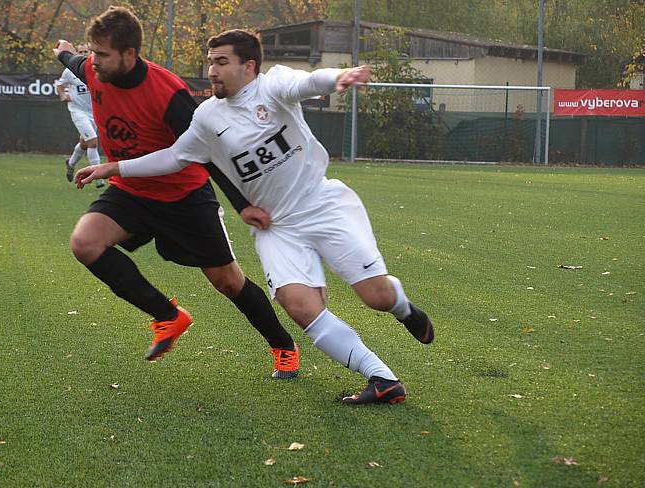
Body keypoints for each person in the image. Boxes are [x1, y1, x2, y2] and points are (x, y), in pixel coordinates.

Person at [76, 29, 435, 405]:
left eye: (221, 62)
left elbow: (309, 82)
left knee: (375, 296)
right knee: (299, 307)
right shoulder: (206, 117)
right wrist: (115, 167)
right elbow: (175, 157)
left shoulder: (273, 85)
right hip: (277, 227)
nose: (212, 70)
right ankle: (382, 378)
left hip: (322, 205)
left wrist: (338, 77)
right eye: (210, 62)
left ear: (248, 66)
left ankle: (403, 308)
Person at [53, 8, 299, 378]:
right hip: (130, 190)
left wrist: (242, 203)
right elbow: (75, 62)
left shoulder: (168, 93)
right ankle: (168, 316)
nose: (94, 61)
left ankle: (284, 346)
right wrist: (63, 53)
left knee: (228, 282)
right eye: (92, 52)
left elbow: (210, 149)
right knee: (85, 243)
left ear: (130, 54)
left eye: (102, 54)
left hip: (183, 197)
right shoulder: (91, 68)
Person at [55, 43, 104, 188]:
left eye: (86, 51)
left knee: (85, 143)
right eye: (80, 51)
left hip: (94, 112)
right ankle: (98, 178)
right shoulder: (70, 71)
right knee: (93, 142)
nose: (83, 53)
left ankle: (70, 163)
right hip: (78, 111)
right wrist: (63, 95)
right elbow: (59, 85)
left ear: (91, 53)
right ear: (76, 53)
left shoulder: (95, 70)